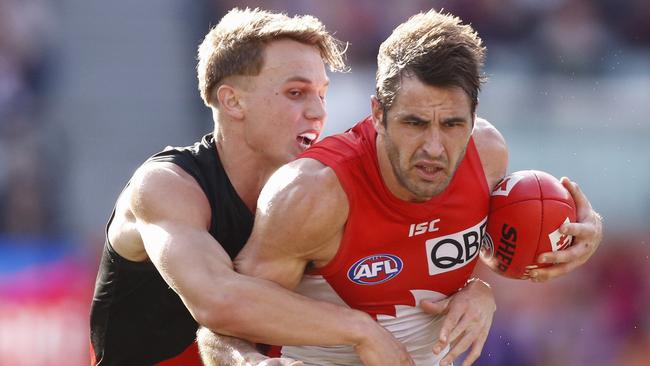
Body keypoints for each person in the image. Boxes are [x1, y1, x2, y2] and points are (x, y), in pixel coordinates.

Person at [200, 9, 603, 366]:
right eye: (414, 123)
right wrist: (249, 364)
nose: (433, 148)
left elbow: (476, 248)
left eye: (452, 124)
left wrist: (484, 289)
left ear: (473, 117)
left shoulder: (487, 154)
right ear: (377, 113)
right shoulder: (313, 193)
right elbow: (222, 326)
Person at [90, 8, 421, 365]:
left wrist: (472, 294)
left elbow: (414, 260)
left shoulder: (314, 191)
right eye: (296, 92)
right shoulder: (166, 185)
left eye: (322, 94)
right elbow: (218, 302)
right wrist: (360, 329)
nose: (318, 113)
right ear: (233, 101)